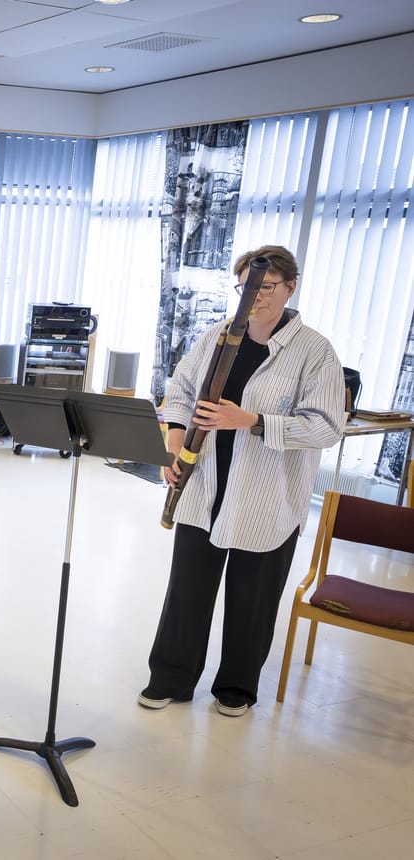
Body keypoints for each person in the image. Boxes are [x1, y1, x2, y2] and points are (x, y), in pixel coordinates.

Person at [140, 244, 344, 717]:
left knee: (253, 598)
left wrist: (249, 420)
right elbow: (180, 392)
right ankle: (170, 677)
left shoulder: (315, 352)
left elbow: (326, 427)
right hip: (204, 482)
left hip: (267, 497)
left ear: (290, 288)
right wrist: (173, 447)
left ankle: (236, 687)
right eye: (246, 287)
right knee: (187, 589)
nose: (254, 297)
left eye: (265, 287)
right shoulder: (215, 336)